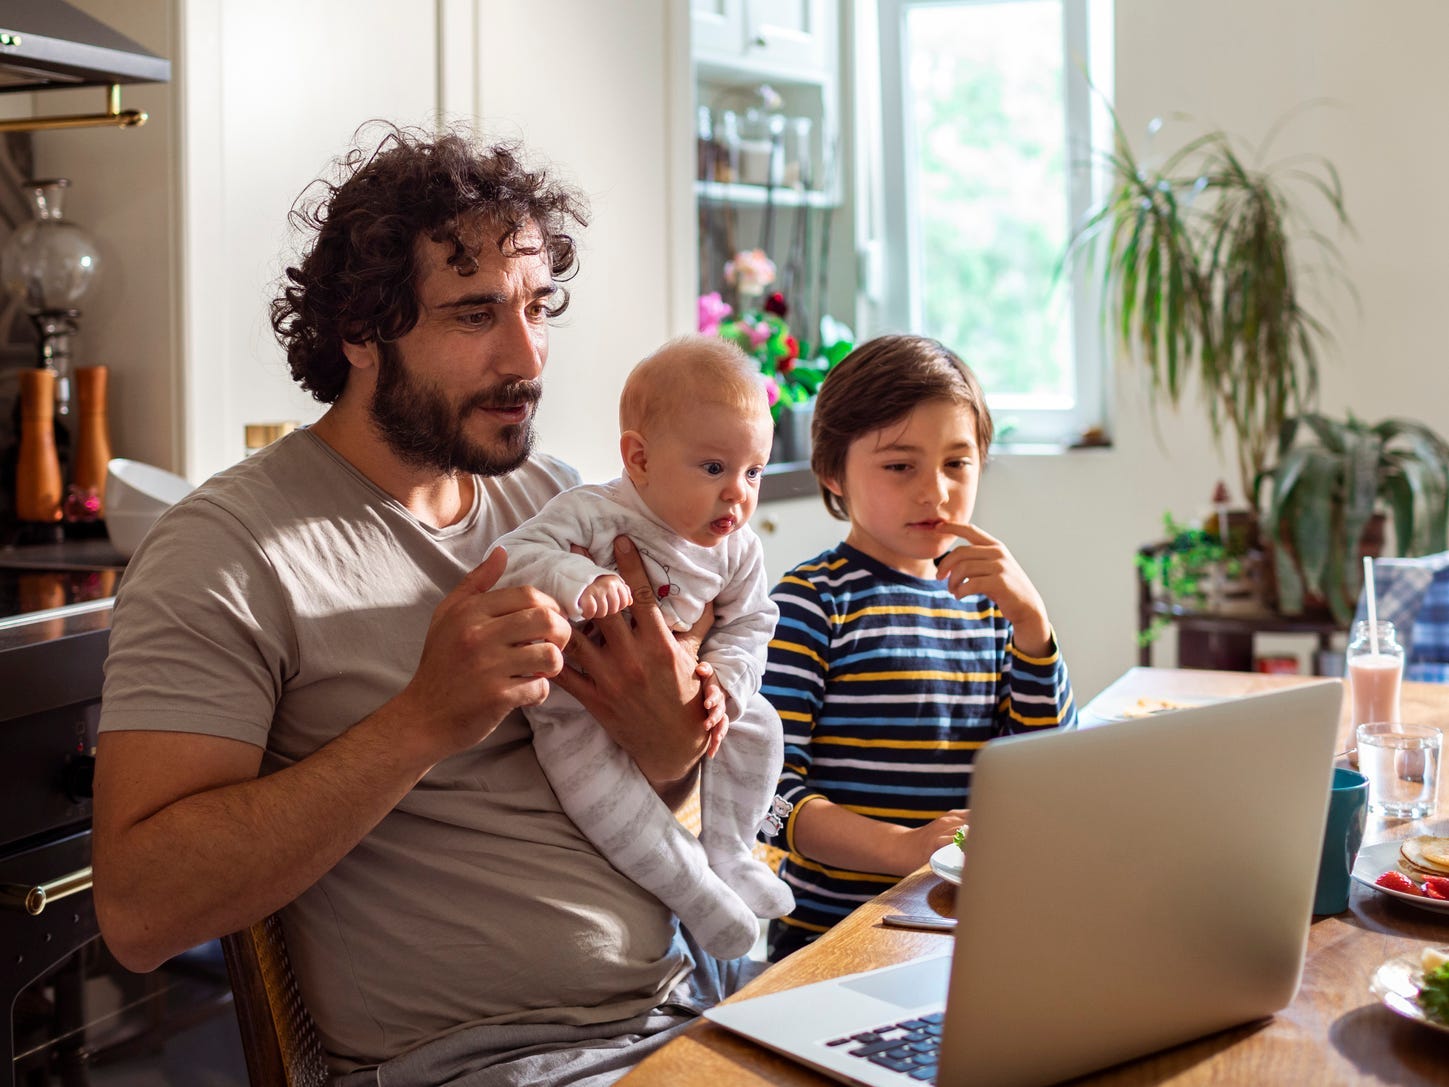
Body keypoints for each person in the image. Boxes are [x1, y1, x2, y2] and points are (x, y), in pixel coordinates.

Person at [91, 124, 762, 1086]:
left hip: (679, 1018)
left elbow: (665, 801)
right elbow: (142, 911)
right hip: (486, 1064)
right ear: (361, 331)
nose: (526, 355)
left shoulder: (561, 503)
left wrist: (668, 751)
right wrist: (421, 721)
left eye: (538, 307)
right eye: (473, 315)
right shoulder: (224, 550)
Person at [762, 334, 1077, 962]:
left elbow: (1048, 776)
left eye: (957, 463)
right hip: (831, 946)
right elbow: (767, 799)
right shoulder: (809, 602)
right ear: (833, 471)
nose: (934, 492)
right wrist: (903, 848)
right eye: (900, 465)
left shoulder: (990, 608)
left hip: (965, 937)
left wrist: (1034, 628)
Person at [490, 335, 795, 960]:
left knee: (760, 723)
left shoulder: (737, 549)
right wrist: (582, 580)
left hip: (689, 699)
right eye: (714, 468)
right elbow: (512, 560)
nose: (737, 492)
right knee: (603, 803)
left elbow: (751, 623)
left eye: (753, 471)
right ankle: (695, 894)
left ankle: (732, 849)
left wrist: (723, 682)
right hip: (574, 712)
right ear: (640, 458)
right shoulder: (594, 513)